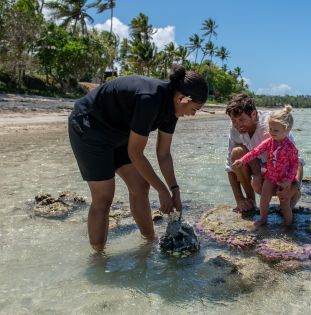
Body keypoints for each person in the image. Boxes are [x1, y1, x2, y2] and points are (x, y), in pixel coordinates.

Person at [68, 64, 208, 250]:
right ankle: (98, 260)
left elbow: (164, 154)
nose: (192, 114)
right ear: (182, 99)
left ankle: (149, 243)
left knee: (140, 185)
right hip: (89, 127)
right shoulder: (149, 99)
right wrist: (162, 191)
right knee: (104, 196)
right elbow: (135, 153)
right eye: (194, 109)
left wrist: (174, 189)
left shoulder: (173, 110)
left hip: (118, 132)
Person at [225, 94, 303, 213]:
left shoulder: (273, 124)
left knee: (285, 208)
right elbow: (231, 167)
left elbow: (297, 161)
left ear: (254, 114)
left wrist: (294, 186)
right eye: (233, 120)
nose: (237, 124)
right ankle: (250, 201)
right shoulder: (235, 128)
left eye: (241, 119)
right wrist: (239, 199)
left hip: (281, 169)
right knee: (237, 153)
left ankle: (294, 196)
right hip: (261, 167)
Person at [232, 105, 299, 227]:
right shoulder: (269, 142)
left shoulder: (291, 147)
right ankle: (263, 219)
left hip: (284, 179)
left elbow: (295, 165)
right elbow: (255, 151)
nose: (272, 133)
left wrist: (288, 180)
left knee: (284, 203)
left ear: (287, 129)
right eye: (270, 129)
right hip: (270, 177)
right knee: (264, 198)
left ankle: (288, 225)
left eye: (276, 130)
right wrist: (242, 160)